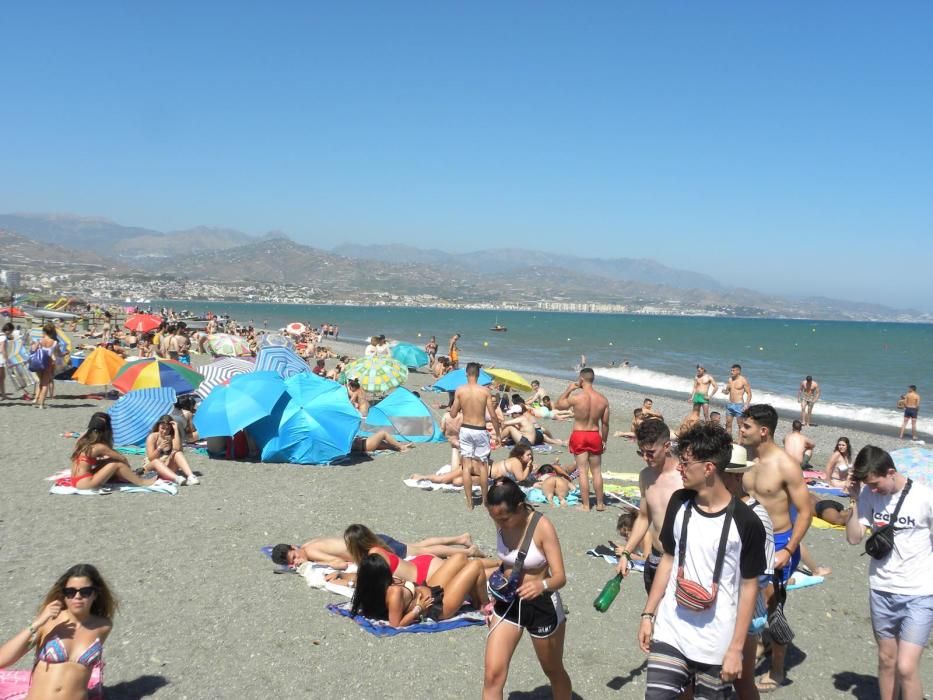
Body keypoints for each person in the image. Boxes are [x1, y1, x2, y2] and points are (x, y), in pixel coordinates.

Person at [638, 423, 766, 700]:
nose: (679, 468)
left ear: (709, 468)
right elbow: (668, 559)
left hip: (716, 641)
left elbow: (748, 588)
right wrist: (648, 614)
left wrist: (736, 649)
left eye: (685, 462)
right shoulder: (679, 502)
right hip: (672, 630)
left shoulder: (747, 522)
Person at [845, 446, 933, 700]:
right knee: (886, 659)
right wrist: (854, 499)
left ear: (891, 472)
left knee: (905, 667)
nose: (873, 489)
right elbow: (853, 538)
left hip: (920, 593)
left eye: (875, 483)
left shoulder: (925, 497)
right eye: (867, 485)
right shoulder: (868, 496)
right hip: (882, 589)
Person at [740, 404, 812, 692]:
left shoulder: (786, 465)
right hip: (750, 540)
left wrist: (789, 550)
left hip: (780, 543)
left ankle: (779, 669)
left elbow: (805, 512)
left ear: (763, 431)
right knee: (749, 601)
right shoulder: (745, 459)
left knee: (773, 608)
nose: (741, 430)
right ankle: (761, 644)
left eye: (746, 426)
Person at [483, 479, 571, 699]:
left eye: (504, 518)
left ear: (520, 508)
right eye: (494, 518)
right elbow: (507, 562)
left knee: (553, 670)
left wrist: (540, 584)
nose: (500, 524)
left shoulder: (542, 526)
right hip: (508, 602)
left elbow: (560, 577)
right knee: (493, 675)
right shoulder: (501, 520)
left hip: (541, 605)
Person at [0, 564, 115, 698]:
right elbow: (2, 660)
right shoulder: (49, 622)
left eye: (85, 592)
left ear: (95, 594)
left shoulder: (103, 626)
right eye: (70, 592)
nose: (77, 597)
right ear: (64, 595)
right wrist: (36, 624)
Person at [721, 444, 775, 700]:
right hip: (719, 607)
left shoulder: (756, 516)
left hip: (744, 611)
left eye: (721, 473)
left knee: (742, 683)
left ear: (736, 476)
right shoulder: (719, 508)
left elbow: (762, 575)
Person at [617, 419, 683, 595]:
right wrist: (626, 553)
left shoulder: (684, 477)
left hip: (681, 561)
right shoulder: (645, 476)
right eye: (642, 453)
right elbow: (644, 517)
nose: (646, 458)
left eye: (651, 453)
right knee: (654, 617)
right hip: (655, 557)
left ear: (667, 446)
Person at [350, 551, 488, 627]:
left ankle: (477, 601)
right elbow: (396, 624)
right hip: (438, 607)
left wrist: (340, 575)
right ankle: (487, 606)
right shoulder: (394, 593)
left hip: (431, 588)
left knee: (460, 558)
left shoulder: (378, 587)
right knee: (476, 565)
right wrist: (418, 609)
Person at [271, 531, 481, 569]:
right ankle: (460, 538)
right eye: (293, 562)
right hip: (368, 539)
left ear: (294, 547)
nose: (297, 561)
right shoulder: (308, 544)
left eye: (294, 557)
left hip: (372, 546)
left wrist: (311, 564)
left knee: (419, 551)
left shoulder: (311, 553)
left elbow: (340, 563)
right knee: (417, 545)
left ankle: (469, 552)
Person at [555, 368, 610, 512]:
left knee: (582, 470)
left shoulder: (577, 397)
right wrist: (604, 440)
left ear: (581, 379)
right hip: (594, 434)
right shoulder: (602, 400)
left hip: (579, 434)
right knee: (597, 471)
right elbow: (605, 424)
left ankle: (586, 505)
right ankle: (599, 504)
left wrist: (568, 390)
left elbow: (558, 405)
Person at [449, 362, 502, 511]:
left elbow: (453, 414)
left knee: (466, 466)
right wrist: (498, 434)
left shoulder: (460, 390)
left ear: (466, 373)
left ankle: (469, 502)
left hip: (466, 429)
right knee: (483, 465)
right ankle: (485, 499)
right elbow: (492, 415)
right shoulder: (484, 391)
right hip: (480, 429)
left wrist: (459, 408)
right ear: (478, 375)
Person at [70, 413, 158, 489]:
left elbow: (87, 462)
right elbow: (122, 459)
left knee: (108, 462)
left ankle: (129, 476)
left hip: (75, 480)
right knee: (117, 464)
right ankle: (142, 482)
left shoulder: (81, 442)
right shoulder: (100, 447)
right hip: (85, 483)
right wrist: (129, 472)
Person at [145, 415, 199, 485]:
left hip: (166, 466)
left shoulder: (171, 437)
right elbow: (151, 458)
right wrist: (159, 448)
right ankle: (177, 478)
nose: (164, 431)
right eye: (162, 428)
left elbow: (178, 449)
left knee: (177, 453)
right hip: (153, 468)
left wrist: (176, 429)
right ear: (158, 426)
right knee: (156, 462)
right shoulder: (152, 437)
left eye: (167, 429)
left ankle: (191, 476)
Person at [30, 322, 60, 409]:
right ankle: (41, 404)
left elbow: (33, 349)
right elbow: (59, 354)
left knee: (40, 382)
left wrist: (33, 344)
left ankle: (37, 400)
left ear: (44, 332)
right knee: (45, 384)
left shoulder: (40, 340)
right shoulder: (54, 343)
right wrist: (65, 353)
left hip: (39, 362)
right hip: (48, 364)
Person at [721, 364, 752, 436]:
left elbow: (749, 394)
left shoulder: (743, 380)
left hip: (739, 405)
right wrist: (724, 391)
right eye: (731, 370)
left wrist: (746, 405)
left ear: (738, 371)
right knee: (728, 424)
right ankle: (728, 441)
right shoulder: (730, 379)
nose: (731, 372)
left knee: (740, 425)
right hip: (730, 404)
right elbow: (727, 392)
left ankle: (740, 443)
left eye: (733, 370)